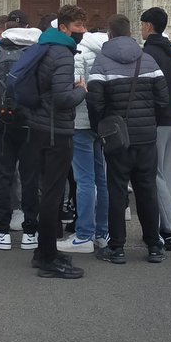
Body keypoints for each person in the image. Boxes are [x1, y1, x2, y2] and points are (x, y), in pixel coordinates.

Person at [88, 15, 170, 264]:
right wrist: (148, 119)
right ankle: (154, 245)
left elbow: (95, 102)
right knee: (147, 190)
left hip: (117, 138)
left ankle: (117, 248)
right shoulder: (148, 59)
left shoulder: (101, 62)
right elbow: (163, 99)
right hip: (145, 136)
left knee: (117, 191)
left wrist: (100, 128)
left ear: (110, 35)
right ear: (130, 33)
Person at [27, 6, 89, 279]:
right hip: (56, 131)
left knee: (47, 191)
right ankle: (49, 259)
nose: (83, 31)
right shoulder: (62, 54)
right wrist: (81, 92)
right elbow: (63, 98)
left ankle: (43, 250)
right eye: (77, 26)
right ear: (63, 27)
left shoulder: (45, 46)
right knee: (53, 194)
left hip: (41, 126)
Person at [0, 24, 42, 251]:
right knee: (30, 178)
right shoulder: (38, 52)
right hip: (30, 124)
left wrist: (1, 103)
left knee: (3, 178)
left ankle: (2, 233)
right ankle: (30, 233)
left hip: (2, 123)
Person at [139, 7, 171, 250]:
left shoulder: (148, 54)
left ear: (148, 26)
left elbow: (148, 90)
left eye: (142, 25)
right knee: (164, 173)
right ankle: (160, 224)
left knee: (152, 173)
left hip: (156, 119)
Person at [58, 30, 109, 255]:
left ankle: (84, 235)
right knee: (101, 178)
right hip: (99, 122)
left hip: (80, 122)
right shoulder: (104, 53)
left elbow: (75, 88)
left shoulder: (77, 55)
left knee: (85, 180)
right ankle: (102, 232)